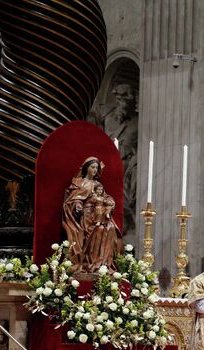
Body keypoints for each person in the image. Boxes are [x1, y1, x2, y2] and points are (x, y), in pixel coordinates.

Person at [63, 157, 123, 274]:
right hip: (85, 216)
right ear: (86, 168)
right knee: (98, 230)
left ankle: (102, 263)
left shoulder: (97, 184)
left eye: (96, 167)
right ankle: (89, 262)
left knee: (110, 228)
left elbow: (105, 197)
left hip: (98, 214)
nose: (95, 170)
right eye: (92, 167)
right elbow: (73, 199)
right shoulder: (78, 182)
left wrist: (110, 203)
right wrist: (77, 205)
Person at [102, 83, 138, 239]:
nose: (122, 103)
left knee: (124, 202)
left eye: (125, 100)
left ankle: (125, 231)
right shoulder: (109, 120)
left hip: (126, 166)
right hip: (108, 167)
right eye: (119, 100)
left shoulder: (137, 122)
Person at [85, 184, 122, 273]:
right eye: (98, 190)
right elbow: (89, 203)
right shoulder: (94, 196)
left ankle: (105, 261)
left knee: (111, 227)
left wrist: (110, 204)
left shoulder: (104, 197)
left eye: (101, 190)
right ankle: (95, 260)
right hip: (95, 214)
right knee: (100, 229)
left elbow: (108, 201)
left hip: (102, 211)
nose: (100, 191)